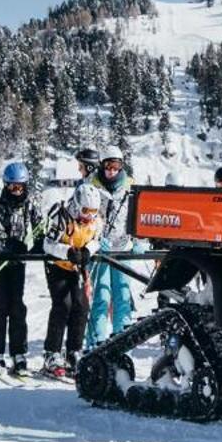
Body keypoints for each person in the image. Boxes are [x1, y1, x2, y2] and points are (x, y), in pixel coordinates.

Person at [0, 161, 44, 376]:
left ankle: (19, 353)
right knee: (1, 305)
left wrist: (38, 243)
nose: (16, 191)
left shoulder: (30, 203)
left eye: (19, 187)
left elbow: (39, 225)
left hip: (18, 260)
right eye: (12, 187)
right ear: (5, 185)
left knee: (17, 306)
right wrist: (10, 245)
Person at [43, 185, 103, 378]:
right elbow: (47, 244)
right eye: (86, 211)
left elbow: (97, 240)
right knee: (63, 304)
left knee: (81, 306)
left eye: (93, 212)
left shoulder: (94, 222)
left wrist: (87, 251)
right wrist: (67, 252)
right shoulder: (61, 216)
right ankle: (52, 353)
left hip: (77, 266)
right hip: (57, 265)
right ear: (77, 205)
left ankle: (73, 351)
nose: (89, 217)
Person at [84, 143, 136, 347]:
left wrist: (138, 240)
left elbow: (137, 215)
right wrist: (93, 238)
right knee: (101, 297)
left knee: (122, 297)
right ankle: (95, 344)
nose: (112, 171)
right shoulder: (91, 185)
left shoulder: (130, 186)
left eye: (116, 167)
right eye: (108, 167)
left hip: (123, 247)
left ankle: (122, 345)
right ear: (102, 166)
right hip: (100, 249)